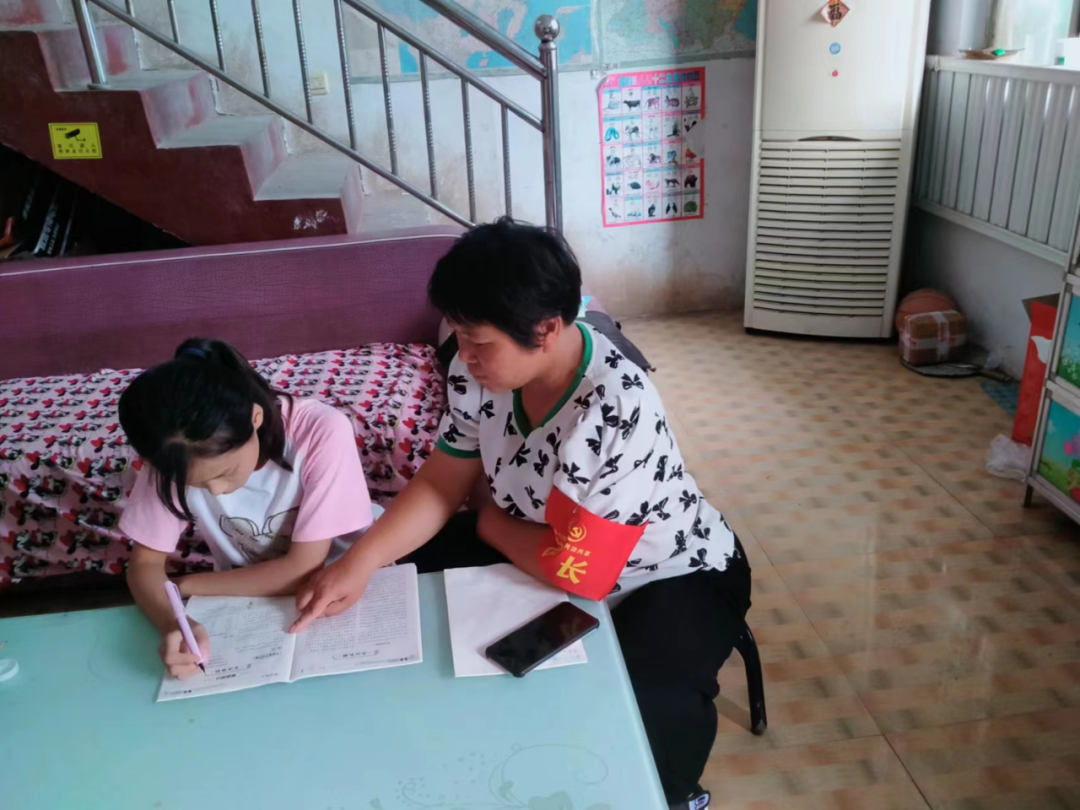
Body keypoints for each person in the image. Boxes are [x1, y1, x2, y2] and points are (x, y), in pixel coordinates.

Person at [290, 219, 750, 810]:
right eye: (459, 335)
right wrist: (361, 560)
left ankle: (675, 796)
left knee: (643, 704)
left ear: (547, 329)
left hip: (671, 572)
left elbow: (584, 573)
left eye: (479, 341)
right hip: (540, 541)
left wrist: (487, 522)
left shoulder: (614, 406)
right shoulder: (478, 372)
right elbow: (441, 481)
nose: (466, 355)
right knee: (396, 574)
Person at [119, 338, 378, 681]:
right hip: (247, 601)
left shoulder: (320, 430)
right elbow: (145, 566)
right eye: (197, 484)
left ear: (255, 418)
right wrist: (175, 622)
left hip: (352, 592)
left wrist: (185, 586)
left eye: (224, 473)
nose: (216, 491)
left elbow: (302, 570)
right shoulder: (171, 456)